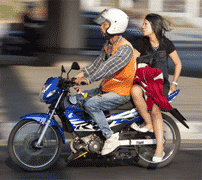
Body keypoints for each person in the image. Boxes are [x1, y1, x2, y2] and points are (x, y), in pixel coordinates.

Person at [73, 8, 136, 155]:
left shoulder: (124, 49)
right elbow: (96, 65)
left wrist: (88, 79)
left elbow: (106, 68)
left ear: (115, 26)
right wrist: (75, 77)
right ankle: (89, 135)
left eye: (105, 24)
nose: (101, 26)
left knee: (91, 103)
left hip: (121, 92)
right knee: (76, 98)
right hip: (107, 89)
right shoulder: (108, 45)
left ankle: (110, 137)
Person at [130, 13, 182, 162]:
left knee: (154, 107)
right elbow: (132, 61)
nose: (142, 26)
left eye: (145, 24)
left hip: (160, 83)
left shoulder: (167, 44)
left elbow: (178, 63)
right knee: (134, 90)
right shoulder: (141, 43)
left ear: (154, 26)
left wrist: (174, 82)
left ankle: (160, 149)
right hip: (144, 80)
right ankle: (148, 123)